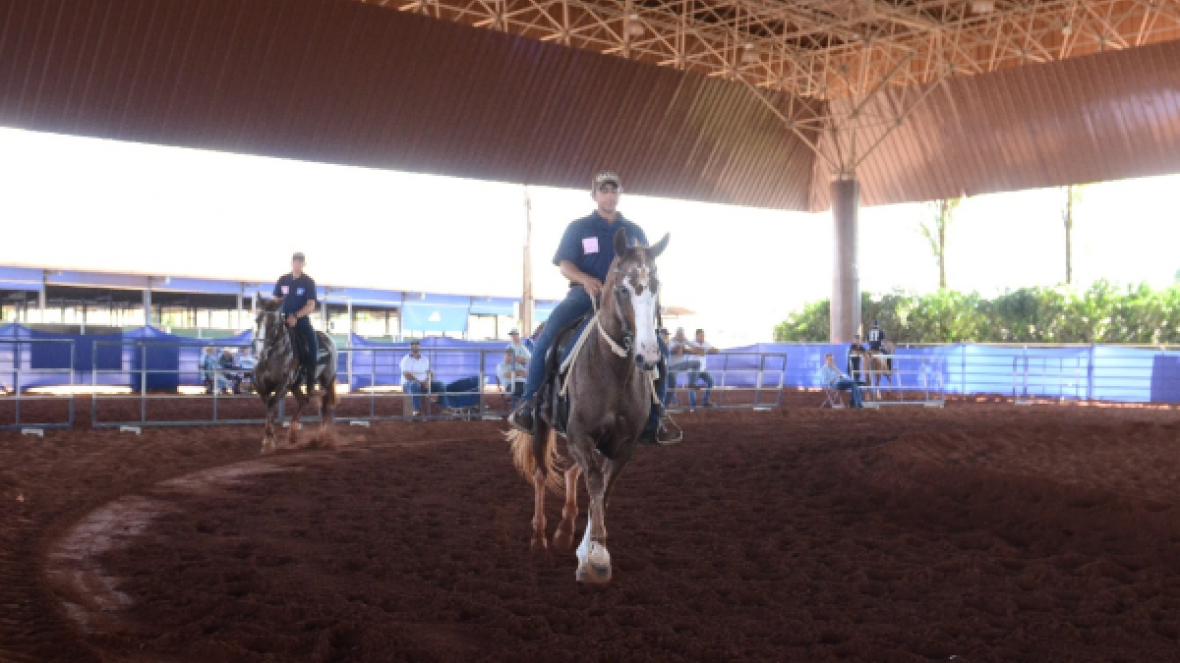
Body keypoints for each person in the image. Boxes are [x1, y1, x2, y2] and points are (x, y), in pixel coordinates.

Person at [508, 171, 673, 443]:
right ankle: (529, 404)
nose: (609, 195)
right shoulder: (579, 227)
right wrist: (585, 280)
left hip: (623, 301)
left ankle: (656, 417)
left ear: (620, 194)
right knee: (546, 338)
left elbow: (644, 268)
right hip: (584, 296)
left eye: (614, 190)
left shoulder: (634, 231)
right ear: (594, 195)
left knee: (661, 350)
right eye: (604, 191)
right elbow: (564, 265)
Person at [274, 252, 319, 403]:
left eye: (300, 262)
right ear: (291, 263)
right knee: (264, 338)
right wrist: (279, 315)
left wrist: (295, 316)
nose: (297, 264)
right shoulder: (283, 280)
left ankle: (310, 384)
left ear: (304, 264)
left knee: (313, 344)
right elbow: (276, 299)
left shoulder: (308, 282)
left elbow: (311, 304)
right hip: (282, 319)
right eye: (295, 261)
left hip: (301, 321)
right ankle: (259, 374)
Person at [400, 340, 444, 415]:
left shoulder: (425, 359)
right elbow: (407, 375)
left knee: (440, 385)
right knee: (415, 385)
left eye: (416, 346)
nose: (415, 348)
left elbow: (431, 373)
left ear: (419, 348)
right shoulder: (405, 360)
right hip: (409, 384)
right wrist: (421, 383)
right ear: (410, 348)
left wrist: (428, 381)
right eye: (413, 347)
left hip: (424, 383)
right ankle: (417, 410)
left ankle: (444, 408)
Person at [684, 328, 719, 407]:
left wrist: (704, 350)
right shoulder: (692, 343)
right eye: (700, 335)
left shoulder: (706, 343)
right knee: (693, 386)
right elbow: (694, 350)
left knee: (711, 382)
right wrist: (702, 350)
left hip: (702, 369)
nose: (702, 337)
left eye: (703, 335)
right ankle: (693, 405)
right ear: (696, 336)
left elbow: (716, 350)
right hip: (693, 370)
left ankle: (705, 401)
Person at [665, 327, 700, 406]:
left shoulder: (684, 339)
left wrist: (684, 349)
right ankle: (669, 402)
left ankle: (692, 383)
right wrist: (682, 348)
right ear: (676, 334)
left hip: (680, 364)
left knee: (697, 363)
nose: (680, 335)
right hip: (672, 366)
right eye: (679, 334)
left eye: (681, 334)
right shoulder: (672, 340)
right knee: (672, 385)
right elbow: (675, 347)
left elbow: (694, 347)